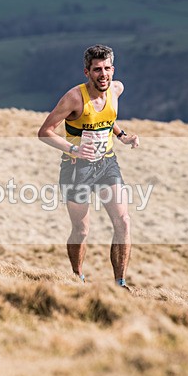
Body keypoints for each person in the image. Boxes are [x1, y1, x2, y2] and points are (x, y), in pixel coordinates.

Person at [37, 45, 140, 290]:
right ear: (87, 72)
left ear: (113, 69)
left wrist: (122, 135)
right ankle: (77, 276)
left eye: (106, 69)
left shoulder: (116, 89)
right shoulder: (74, 98)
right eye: (97, 70)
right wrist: (73, 149)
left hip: (107, 164)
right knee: (82, 230)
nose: (102, 74)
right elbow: (44, 132)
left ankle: (120, 283)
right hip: (76, 168)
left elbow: (108, 118)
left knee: (123, 222)